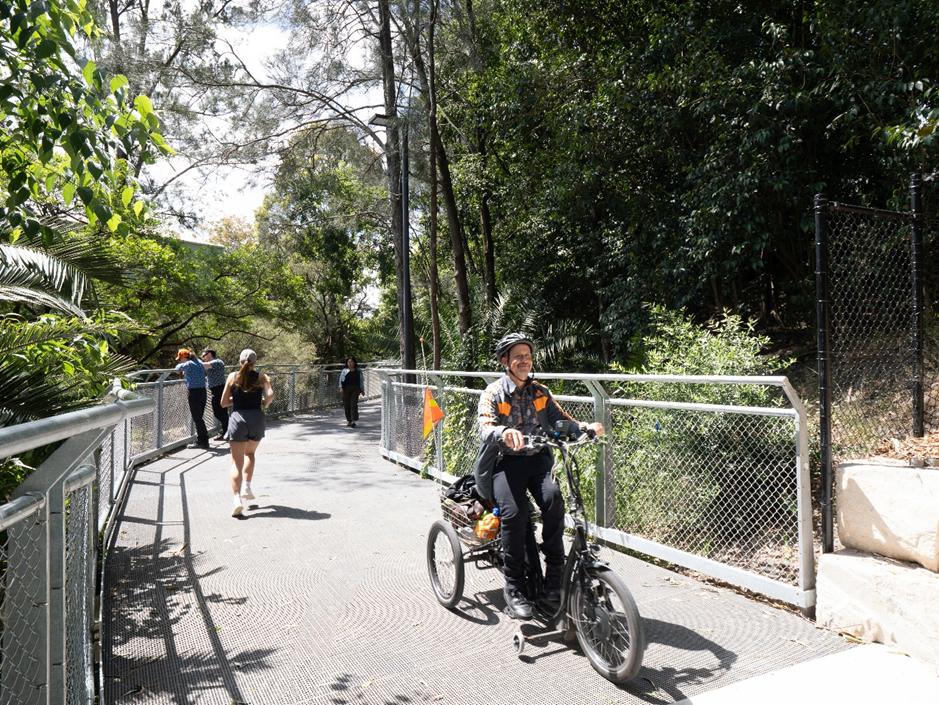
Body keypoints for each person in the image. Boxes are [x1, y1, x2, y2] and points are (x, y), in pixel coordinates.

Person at [473, 333, 604, 620]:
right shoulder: (493, 393)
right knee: (515, 514)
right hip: (505, 463)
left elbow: (560, 420)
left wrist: (583, 427)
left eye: (527, 355)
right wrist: (502, 432)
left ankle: (554, 574)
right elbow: (484, 426)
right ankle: (514, 587)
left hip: (539, 460)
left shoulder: (540, 392)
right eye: (517, 356)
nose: (524, 360)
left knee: (555, 500)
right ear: (505, 361)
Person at [221, 349, 274, 517]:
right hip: (256, 418)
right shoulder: (261, 377)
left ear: (240, 362)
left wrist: (235, 400)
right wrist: (265, 403)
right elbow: (270, 394)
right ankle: (247, 487)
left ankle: (237, 500)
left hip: (238, 418)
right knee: (249, 453)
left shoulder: (232, 377)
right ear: (255, 363)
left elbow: (223, 403)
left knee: (236, 462)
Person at [175, 348, 210, 450]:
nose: (180, 361)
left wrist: (182, 369)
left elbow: (177, 369)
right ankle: (202, 439)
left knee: (197, 417)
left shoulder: (188, 364)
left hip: (194, 392)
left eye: (180, 359)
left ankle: (203, 441)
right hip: (203, 391)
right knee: (200, 416)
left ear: (184, 357)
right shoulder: (199, 362)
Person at [202, 348, 229, 441]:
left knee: (218, 412)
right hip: (216, 390)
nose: (203, 358)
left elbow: (204, 366)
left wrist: (193, 363)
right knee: (222, 412)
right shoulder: (214, 363)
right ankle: (226, 432)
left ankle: (231, 429)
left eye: (204, 356)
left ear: (209, 354)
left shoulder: (217, 362)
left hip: (219, 390)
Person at [338, 357, 365, 427]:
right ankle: (349, 420)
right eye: (348, 362)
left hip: (355, 388)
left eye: (351, 362)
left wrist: (362, 390)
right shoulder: (344, 371)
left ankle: (353, 420)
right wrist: (341, 387)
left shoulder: (358, 371)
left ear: (354, 363)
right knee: (346, 404)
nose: (349, 363)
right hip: (346, 389)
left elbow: (361, 381)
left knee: (353, 404)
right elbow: (341, 380)